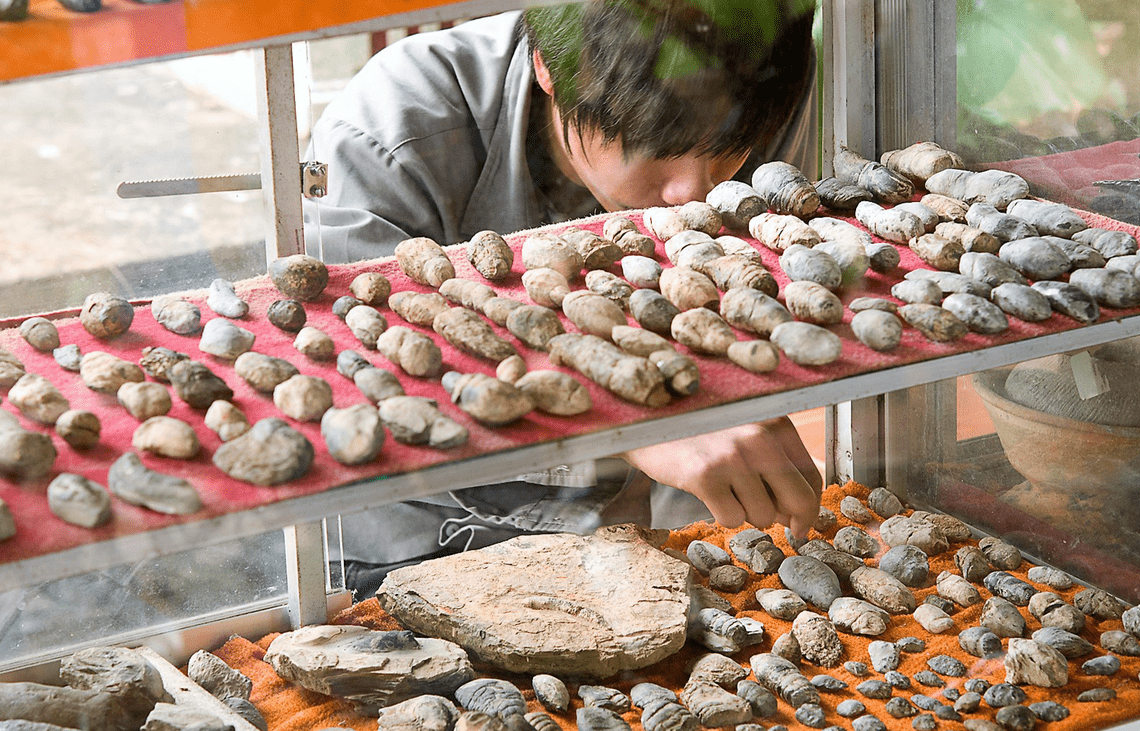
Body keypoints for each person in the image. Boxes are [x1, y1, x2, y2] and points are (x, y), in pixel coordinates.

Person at [305, 0, 823, 597]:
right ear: (549, 67)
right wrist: (626, 420)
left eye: (728, 149)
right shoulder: (383, 135)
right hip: (399, 545)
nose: (693, 195)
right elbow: (352, 376)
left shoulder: (766, 79)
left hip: (621, 542)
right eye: (656, 148)